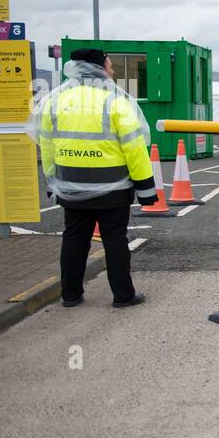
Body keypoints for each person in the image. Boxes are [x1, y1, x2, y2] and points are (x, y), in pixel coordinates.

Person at [28, 48, 156, 308]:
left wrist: (52, 181)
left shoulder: (54, 100)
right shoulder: (115, 101)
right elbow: (134, 148)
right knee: (115, 241)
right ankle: (123, 295)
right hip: (113, 188)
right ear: (98, 68)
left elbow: (47, 145)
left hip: (72, 186)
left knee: (74, 240)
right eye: (110, 65)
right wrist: (146, 188)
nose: (113, 70)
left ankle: (70, 295)